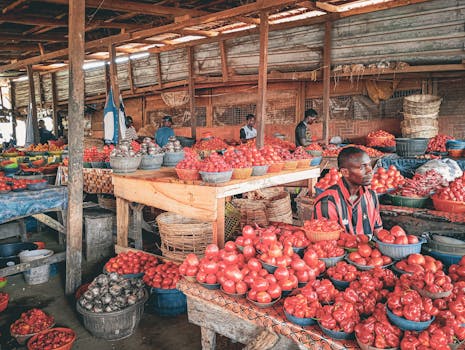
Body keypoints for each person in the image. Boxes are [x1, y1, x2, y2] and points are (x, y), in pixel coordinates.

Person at [313, 147, 383, 236]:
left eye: (369, 165)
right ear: (345, 172)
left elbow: (380, 234)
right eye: (362, 167)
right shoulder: (327, 202)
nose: (370, 171)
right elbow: (327, 244)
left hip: (367, 249)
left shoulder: (371, 196)